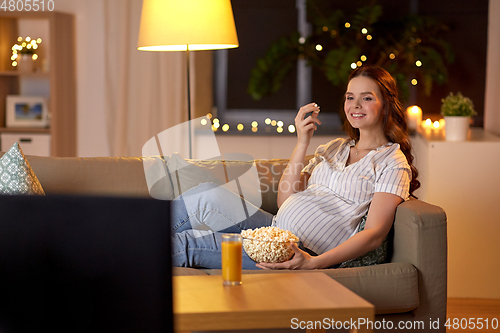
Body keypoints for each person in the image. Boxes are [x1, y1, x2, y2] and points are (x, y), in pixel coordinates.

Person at [171, 65, 420, 270]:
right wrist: (302, 142)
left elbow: (375, 233)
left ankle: (132, 260)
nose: (355, 105)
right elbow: (285, 199)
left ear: (386, 105)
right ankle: (134, 234)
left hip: (301, 252)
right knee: (204, 195)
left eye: (367, 98)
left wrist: (314, 263)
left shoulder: (392, 162)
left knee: (184, 245)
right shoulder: (336, 147)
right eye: (350, 97)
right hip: (275, 231)